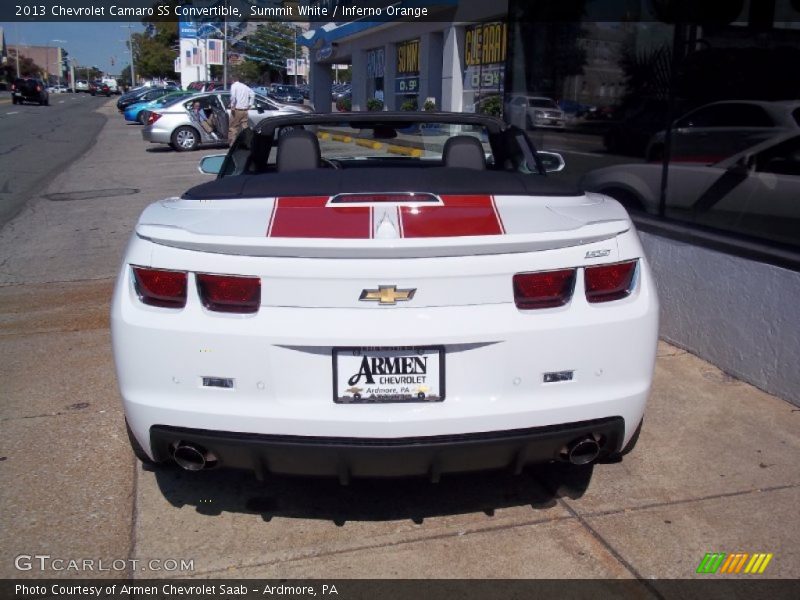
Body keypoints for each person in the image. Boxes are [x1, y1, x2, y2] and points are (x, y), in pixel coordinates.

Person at [228, 76, 254, 143]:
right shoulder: (245, 86)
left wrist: (232, 105)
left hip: (237, 110)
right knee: (245, 127)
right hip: (245, 110)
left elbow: (233, 96)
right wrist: (250, 104)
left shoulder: (234, 86)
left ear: (232, 80)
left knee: (233, 127)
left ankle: (232, 144)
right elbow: (253, 94)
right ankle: (248, 143)